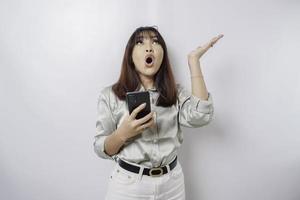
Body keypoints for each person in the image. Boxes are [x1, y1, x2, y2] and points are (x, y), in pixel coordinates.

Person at [94, 26, 223, 200]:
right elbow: (101, 148)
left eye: (155, 41)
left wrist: (194, 62)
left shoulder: (175, 93)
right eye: (140, 42)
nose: (149, 47)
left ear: (162, 54)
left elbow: (201, 116)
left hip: (172, 185)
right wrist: (122, 134)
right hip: (128, 187)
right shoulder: (110, 95)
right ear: (130, 55)